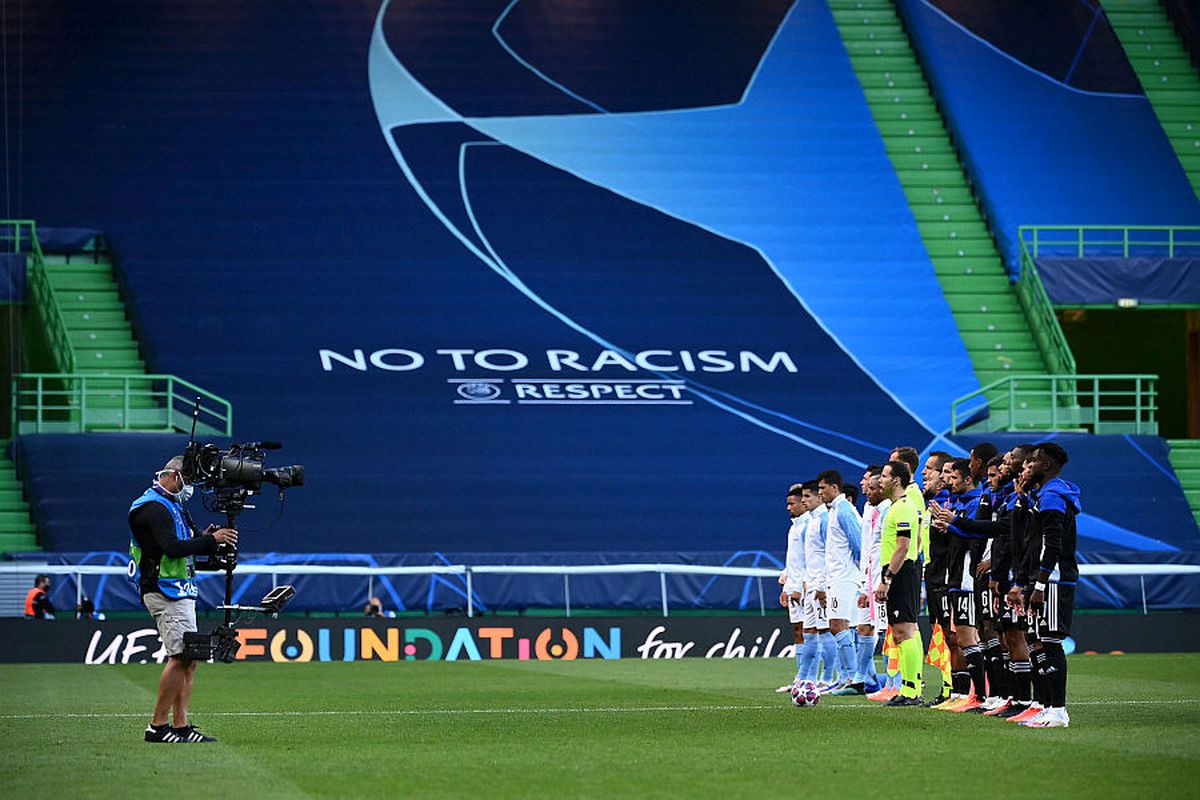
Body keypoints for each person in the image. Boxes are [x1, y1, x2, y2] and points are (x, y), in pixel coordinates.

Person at [129, 455, 237, 743]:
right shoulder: (153, 508)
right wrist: (211, 541)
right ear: (174, 476)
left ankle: (181, 726)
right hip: (164, 590)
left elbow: (185, 543)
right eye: (187, 481)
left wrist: (205, 537)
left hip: (179, 589)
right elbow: (171, 548)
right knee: (179, 657)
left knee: (190, 658)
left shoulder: (172, 506)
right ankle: (158, 726)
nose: (189, 487)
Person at [1020, 443, 1080, 729]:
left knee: (1051, 642)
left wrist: (1041, 583)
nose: (1027, 466)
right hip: (1045, 579)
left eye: (1032, 462)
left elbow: (1052, 544)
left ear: (1045, 466)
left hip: (1053, 579)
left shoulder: (1053, 496)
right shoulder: (1043, 495)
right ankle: (1047, 707)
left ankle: (1058, 711)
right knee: (1041, 641)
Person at [874, 461, 924, 706]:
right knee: (901, 630)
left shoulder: (904, 507)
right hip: (900, 570)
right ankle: (908, 687)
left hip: (901, 572)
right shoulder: (896, 507)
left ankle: (912, 691)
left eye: (883, 476)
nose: (879, 480)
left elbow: (903, 547)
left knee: (905, 630)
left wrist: (887, 579)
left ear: (896, 480)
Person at [817, 469, 865, 695]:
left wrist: (860, 575)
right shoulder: (836, 510)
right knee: (840, 626)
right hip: (838, 577)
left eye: (822, 489)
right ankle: (850, 677)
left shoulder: (844, 510)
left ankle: (852, 678)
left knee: (838, 625)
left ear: (834, 487)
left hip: (845, 578)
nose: (820, 493)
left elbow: (858, 544)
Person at [777, 483, 809, 693]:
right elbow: (795, 559)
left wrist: (801, 586)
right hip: (794, 586)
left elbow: (812, 558)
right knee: (798, 631)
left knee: (812, 632)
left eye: (792, 503)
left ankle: (817, 676)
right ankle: (802, 676)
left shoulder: (809, 524)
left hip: (806, 587)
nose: (788, 507)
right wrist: (787, 582)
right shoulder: (795, 525)